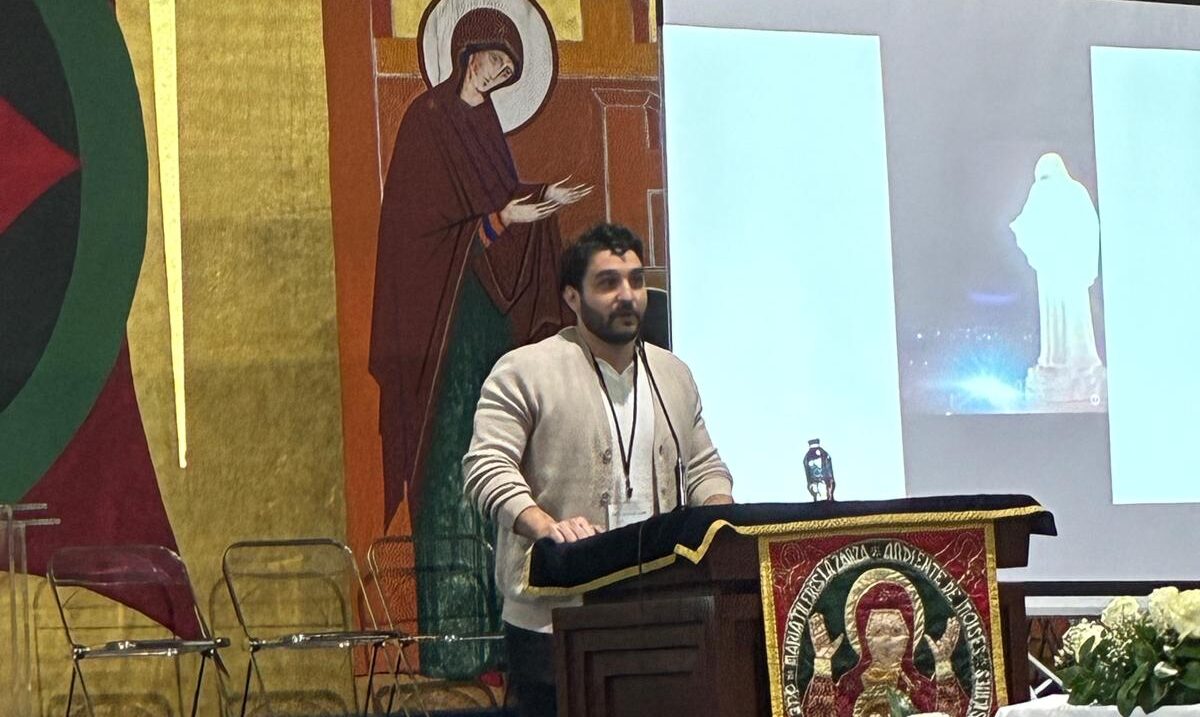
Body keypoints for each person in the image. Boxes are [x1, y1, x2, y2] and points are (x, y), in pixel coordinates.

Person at [369, 8, 589, 678]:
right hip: (442, 331)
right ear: (468, 52)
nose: (498, 75)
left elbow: (495, 205)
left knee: (502, 456)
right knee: (452, 463)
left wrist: (536, 201)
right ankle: (455, 642)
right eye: (495, 61)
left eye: (509, 69)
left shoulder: (486, 126)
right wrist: (500, 218)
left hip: (487, 317)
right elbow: (415, 232)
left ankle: (502, 634)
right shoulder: (426, 122)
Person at [462, 223, 734, 716]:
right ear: (572, 295)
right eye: (608, 282)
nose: (627, 295)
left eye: (635, 280)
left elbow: (703, 466)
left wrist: (720, 520)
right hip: (553, 620)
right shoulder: (524, 370)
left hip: (659, 613)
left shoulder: (673, 374)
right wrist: (545, 526)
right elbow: (487, 466)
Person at [804, 570, 966, 716]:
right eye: (878, 631)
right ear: (864, 637)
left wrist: (944, 667)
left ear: (909, 637)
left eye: (896, 631)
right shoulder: (848, 687)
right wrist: (823, 664)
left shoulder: (919, 688)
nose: (886, 640)